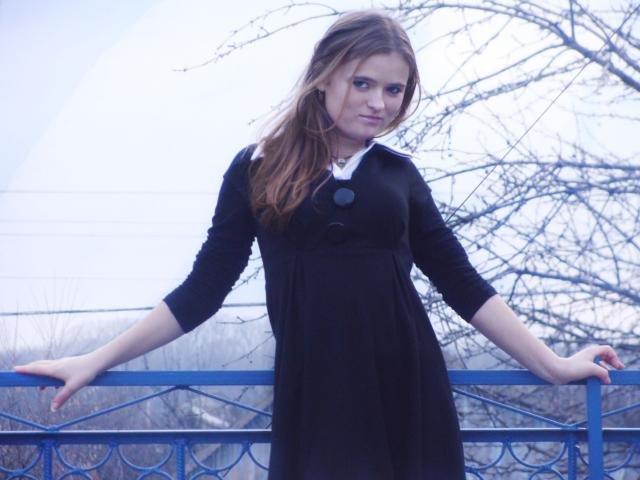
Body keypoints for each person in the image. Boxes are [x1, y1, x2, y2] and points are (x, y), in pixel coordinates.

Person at [14, 9, 624, 480]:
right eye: (363, 83)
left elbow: (462, 284)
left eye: (394, 90)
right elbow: (204, 289)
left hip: (408, 390)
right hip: (317, 397)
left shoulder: (400, 176)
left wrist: (551, 365)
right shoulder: (258, 167)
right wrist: (96, 359)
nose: (378, 103)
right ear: (324, 75)